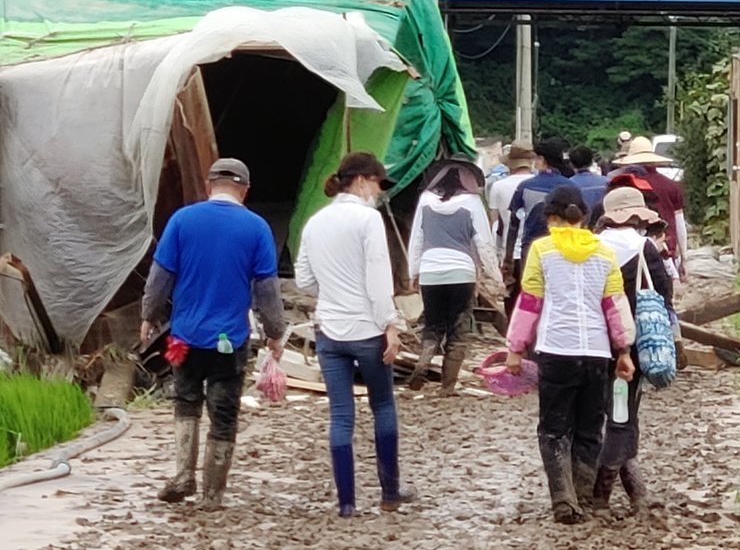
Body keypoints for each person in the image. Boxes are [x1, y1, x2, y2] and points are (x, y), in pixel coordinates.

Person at [140, 158, 286, 509]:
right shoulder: (256, 228)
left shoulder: (182, 220)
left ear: (209, 185)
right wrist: (275, 332)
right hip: (230, 340)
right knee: (223, 412)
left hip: (184, 337)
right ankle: (212, 494)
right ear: (245, 191)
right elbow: (266, 289)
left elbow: (160, 278)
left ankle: (182, 475)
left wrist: (148, 315)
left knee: (186, 402)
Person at [506, 184, 635, 524]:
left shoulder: (542, 250)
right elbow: (614, 307)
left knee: (553, 429)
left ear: (551, 217)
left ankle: (563, 499)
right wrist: (623, 350)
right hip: (596, 353)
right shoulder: (604, 252)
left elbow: (530, 302)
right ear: (583, 216)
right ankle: (584, 493)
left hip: (556, 350)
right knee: (590, 428)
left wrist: (515, 349)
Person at [295, 151, 409, 518]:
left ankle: (346, 502)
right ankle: (389, 492)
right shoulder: (368, 219)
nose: (379, 191)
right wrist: (390, 324)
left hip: (329, 330)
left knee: (341, 416)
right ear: (362, 180)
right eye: (377, 183)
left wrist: (334, 290)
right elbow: (379, 279)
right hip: (367, 330)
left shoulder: (315, 221)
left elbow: (304, 279)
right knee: (383, 406)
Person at [594, 186, 673, 516]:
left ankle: (636, 490)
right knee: (624, 414)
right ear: (638, 216)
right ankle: (601, 492)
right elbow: (664, 296)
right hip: (633, 340)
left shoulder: (592, 246)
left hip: (596, 340)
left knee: (612, 411)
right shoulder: (643, 247)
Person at [407, 156, 503, 394]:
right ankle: (447, 386)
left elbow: (416, 239)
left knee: (432, 323)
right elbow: (484, 243)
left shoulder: (425, 200)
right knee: (458, 330)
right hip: (461, 271)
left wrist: (413, 271)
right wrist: (496, 277)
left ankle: (425, 356)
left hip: (430, 270)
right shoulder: (471, 202)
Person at [608, 136, 688, 277]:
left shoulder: (620, 185)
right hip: (664, 250)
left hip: (626, 255)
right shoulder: (670, 185)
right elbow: (680, 223)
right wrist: (684, 259)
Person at [502, 137, 572, 278]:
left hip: (531, 250)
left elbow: (514, 224)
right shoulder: (571, 187)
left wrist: (508, 257)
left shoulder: (526, 187)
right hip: (563, 250)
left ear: (542, 160)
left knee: (531, 294)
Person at [487, 142, 534, 315]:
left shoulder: (498, 186)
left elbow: (495, 223)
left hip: (510, 252)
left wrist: (496, 255)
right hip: (535, 249)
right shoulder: (536, 184)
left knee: (511, 299)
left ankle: (511, 336)